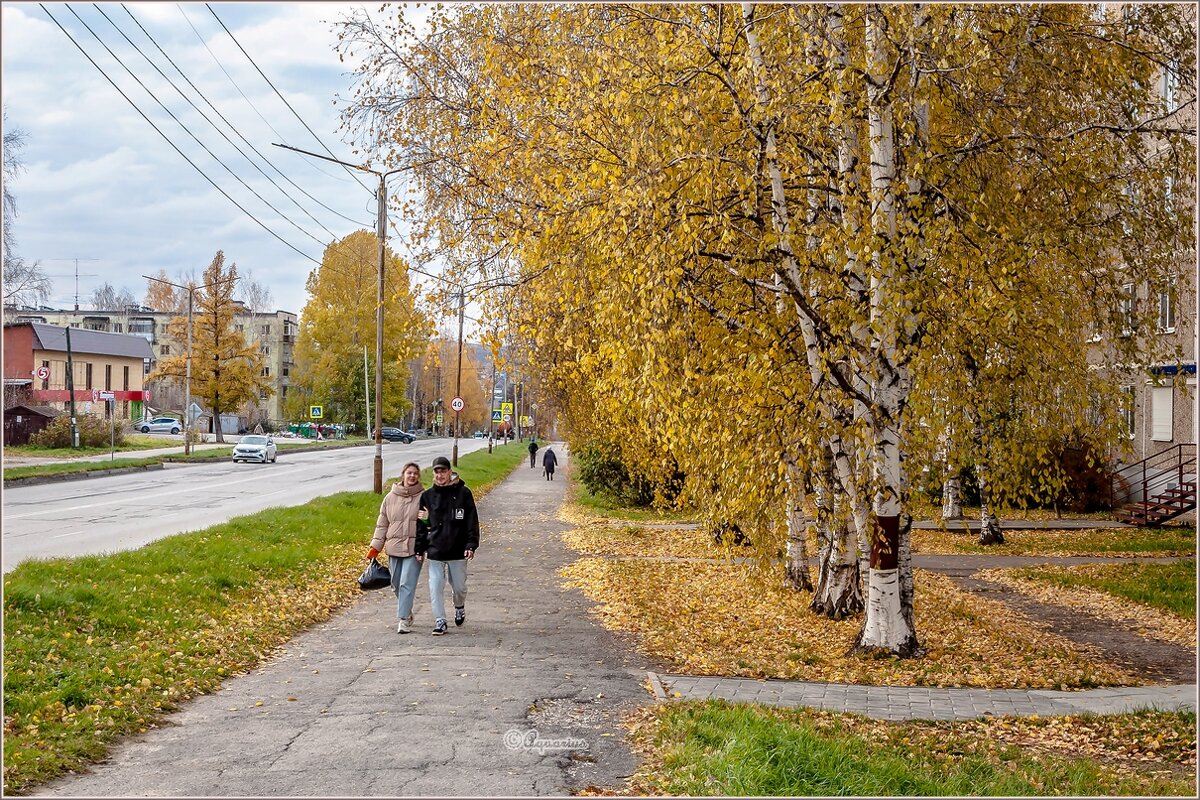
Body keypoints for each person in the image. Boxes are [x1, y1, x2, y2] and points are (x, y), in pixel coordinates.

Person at [417, 456, 479, 635]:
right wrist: (419, 548)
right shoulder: (427, 497)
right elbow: (421, 524)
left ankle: (459, 606)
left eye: (443, 471)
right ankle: (440, 621)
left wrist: (471, 544)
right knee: (435, 585)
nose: (440, 475)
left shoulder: (463, 493)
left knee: (459, 587)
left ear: (450, 472)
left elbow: (472, 521)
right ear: (433, 474)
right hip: (435, 549)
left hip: (458, 548)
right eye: (437, 472)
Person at [366, 462, 426, 634]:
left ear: (418, 476)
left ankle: (403, 620)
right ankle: (407, 611)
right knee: (395, 584)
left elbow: (430, 524)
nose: (412, 476)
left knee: (407, 583)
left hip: (414, 549)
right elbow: (382, 524)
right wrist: (375, 547)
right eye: (409, 473)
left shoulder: (424, 497)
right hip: (393, 548)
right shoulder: (390, 498)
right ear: (403, 475)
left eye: (415, 473)